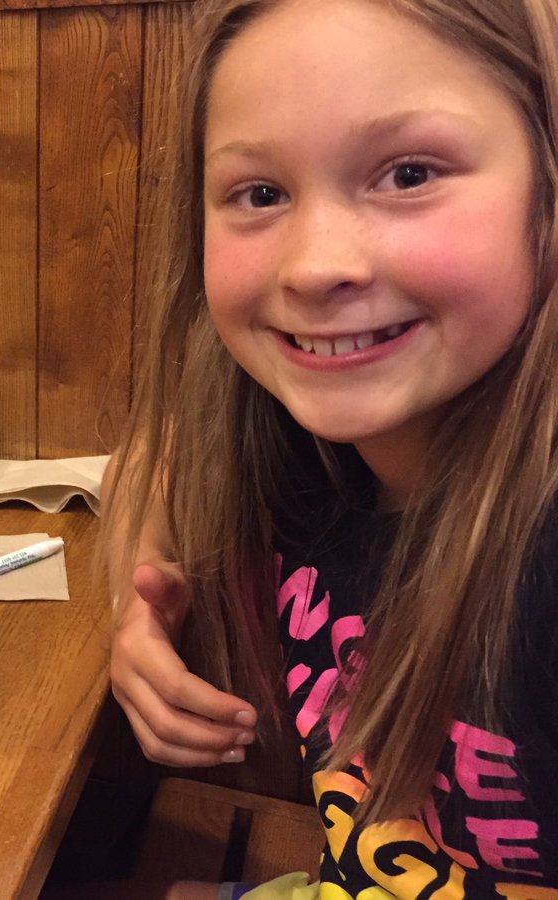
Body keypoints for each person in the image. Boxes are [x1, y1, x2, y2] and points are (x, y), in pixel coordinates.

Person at [103, 0, 558, 896]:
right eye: (260, 194)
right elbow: (155, 454)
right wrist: (137, 600)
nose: (315, 265)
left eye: (410, 173)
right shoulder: (295, 440)